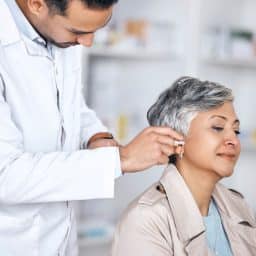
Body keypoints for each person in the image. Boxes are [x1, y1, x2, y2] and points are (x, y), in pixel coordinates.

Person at [0, 0, 184, 255]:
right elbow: (5, 175)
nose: (87, 43)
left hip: (60, 238)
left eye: (100, 27)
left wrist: (96, 135)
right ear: (36, 4)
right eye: (77, 32)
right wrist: (121, 159)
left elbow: (69, 105)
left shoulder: (57, 31)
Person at [112, 77, 256, 256]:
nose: (233, 140)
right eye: (218, 127)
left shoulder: (238, 206)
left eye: (236, 131)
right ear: (177, 140)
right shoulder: (145, 220)